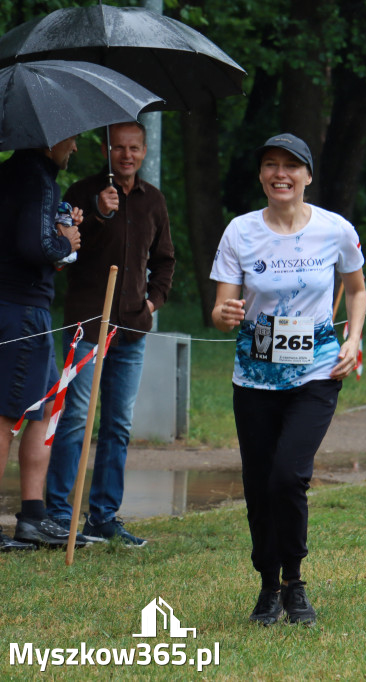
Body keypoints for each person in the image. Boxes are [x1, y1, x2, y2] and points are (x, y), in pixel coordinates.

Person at [210, 133, 366, 626]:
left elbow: (357, 289)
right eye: (271, 165)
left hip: (316, 372)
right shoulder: (240, 232)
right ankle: (266, 585)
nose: (281, 174)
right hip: (254, 376)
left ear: (307, 176)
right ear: (261, 176)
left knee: (288, 476)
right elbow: (219, 309)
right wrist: (225, 313)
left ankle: (294, 582)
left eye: (291, 167)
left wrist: (354, 338)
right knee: (259, 484)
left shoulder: (335, 229)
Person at [45, 121, 175, 547]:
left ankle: (103, 517)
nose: (127, 155)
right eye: (119, 148)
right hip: (85, 325)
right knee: (76, 421)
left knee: (117, 424)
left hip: (130, 331)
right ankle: (59, 515)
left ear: (143, 151)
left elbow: (165, 261)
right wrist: (100, 215)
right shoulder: (81, 194)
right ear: (106, 150)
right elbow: (65, 253)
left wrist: (151, 304)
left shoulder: (153, 200)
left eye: (134, 148)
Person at [0, 137, 84, 550]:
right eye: (71, 138)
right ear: (49, 138)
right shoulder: (37, 178)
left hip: (20, 306)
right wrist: (66, 242)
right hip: (20, 309)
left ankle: (34, 517)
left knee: (45, 406)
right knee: (4, 415)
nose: (75, 146)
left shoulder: (13, 173)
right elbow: (35, 246)